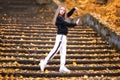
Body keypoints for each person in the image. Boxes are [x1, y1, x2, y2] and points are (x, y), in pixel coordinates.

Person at [40, 5, 80, 73]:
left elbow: (68, 14)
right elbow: (65, 23)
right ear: (58, 10)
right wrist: (75, 24)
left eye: (64, 10)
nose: (62, 11)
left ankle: (62, 67)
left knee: (63, 52)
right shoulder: (58, 18)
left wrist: (73, 9)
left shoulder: (62, 17)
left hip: (64, 36)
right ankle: (44, 62)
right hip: (60, 36)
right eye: (61, 10)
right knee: (55, 50)